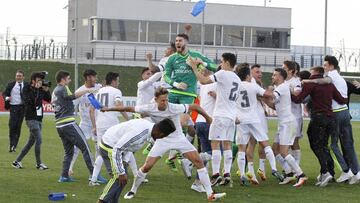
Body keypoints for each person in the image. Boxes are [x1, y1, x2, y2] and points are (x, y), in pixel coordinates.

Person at [102, 87, 226, 202]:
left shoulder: (173, 107)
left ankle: (210, 194)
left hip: (178, 138)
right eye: (162, 100)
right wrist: (108, 109)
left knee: (198, 162)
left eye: (166, 99)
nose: (165, 102)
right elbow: (128, 109)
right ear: (156, 100)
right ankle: (133, 190)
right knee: (147, 167)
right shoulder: (150, 107)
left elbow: (195, 107)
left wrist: (208, 118)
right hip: (162, 139)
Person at [302, 55, 360, 184]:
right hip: (345, 112)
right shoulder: (341, 78)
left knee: (331, 145)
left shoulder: (331, 76)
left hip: (337, 114)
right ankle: (357, 173)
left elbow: (323, 82)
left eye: (325, 65)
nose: (324, 67)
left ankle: (346, 171)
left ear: (331, 66)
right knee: (348, 145)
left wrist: (308, 81)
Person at [189, 53, 240, 186]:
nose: (220, 64)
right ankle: (227, 174)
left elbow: (203, 81)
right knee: (227, 145)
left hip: (220, 115)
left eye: (222, 62)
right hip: (231, 116)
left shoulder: (223, 73)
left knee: (215, 144)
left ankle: (216, 174)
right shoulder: (237, 78)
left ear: (227, 63)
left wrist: (195, 68)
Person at [291, 66, 347, 187]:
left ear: (315, 72)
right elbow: (342, 100)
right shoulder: (330, 85)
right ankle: (326, 172)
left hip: (318, 118)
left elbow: (297, 99)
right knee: (323, 145)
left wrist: (289, 91)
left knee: (316, 145)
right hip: (330, 118)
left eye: (311, 72)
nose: (310, 75)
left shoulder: (310, 84)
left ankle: (325, 172)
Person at [97, 118, 176, 203]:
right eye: (162, 136)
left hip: (115, 146)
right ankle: (101, 201)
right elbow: (118, 149)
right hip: (109, 146)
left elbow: (128, 147)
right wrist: (121, 172)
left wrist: (124, 162)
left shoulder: (148, 129)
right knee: (118, 177)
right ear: (158, 131)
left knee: (123, 179)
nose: (160, 138)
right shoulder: (139, 133)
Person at [235, 65, 284, 185]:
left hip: (240, 120)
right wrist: (272, 91)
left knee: (242, 148)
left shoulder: (235, 86)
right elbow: (268, 95)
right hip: (253, 119)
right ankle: (273, 168)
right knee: (265, 144)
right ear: (248, 75)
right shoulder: (253, 86)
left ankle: (242, 174)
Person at [266, 68, 307, 187]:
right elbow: (274, 106)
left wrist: (260, 91)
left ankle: (300, 175)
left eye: (274, 75)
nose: (272, 77)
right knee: (274, 150)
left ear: (280, 77)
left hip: (288, 123)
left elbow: (271, 95)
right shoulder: (280, 88)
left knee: (283, 151)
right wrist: (262, 98)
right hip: (283, 123)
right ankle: (289, 174)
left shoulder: (282, 87)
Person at [51, 70, 95, 182]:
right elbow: (71, 96)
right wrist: (87, 90)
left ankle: (64, 176)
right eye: (68, 78)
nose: (69, 81)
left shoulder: (55, 91)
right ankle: (93, 175)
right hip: (68, 123)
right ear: (63, 79)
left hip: (59, 125)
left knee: (69, 152)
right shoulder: (62, 88)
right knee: (85, 147)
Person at [89, 72, 129, 186]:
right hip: (111, 125)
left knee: (102, 152)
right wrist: (128, 119)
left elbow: (91, 110)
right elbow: (119, 105)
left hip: (100, 124)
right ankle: (133, 174)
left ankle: (93, 179)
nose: (119, 82)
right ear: (113, 81)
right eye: (118, 80)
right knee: (123, 148)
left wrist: (94, 126)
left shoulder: (99, 91)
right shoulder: (116, 91)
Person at [11, 72, 51, 169]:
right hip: (31, 118)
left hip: (39, 118)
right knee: (39, 139)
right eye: (39, 80)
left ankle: (17, 161)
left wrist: (46, 90)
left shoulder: (40, 89)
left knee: (31, 142)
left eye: (41, 80)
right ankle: (39, 164)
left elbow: (48, 99)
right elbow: (30, 102)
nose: (41, 82)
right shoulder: (27, 88)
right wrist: (37, 89)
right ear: (33, 81)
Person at [69, 69, 103, 180]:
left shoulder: (99, 88)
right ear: (88, 77)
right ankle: (69, 168)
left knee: (99, 148)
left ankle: (95, 173)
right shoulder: (80, 91)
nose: (95, 79)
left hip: (98, 123)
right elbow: (72, 105)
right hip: (85, 123)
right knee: (77, 146)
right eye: (94, 77)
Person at [3, 70, 28, 152]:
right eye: (17, 76)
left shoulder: (27, 85)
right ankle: (11, 145)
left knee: (18, 127)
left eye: (20, 76)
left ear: (23, 77)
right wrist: (6, 98)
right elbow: (4, 93)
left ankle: (14, 145)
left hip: (22, 108)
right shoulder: (11, 85)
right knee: (12, 126)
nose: (18, 77)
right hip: (13, 107)